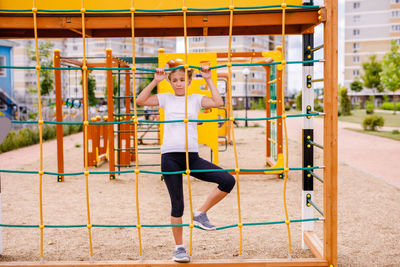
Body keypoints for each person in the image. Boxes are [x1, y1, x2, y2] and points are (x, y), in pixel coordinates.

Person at [136, 60, 236, 263]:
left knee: (227, 180)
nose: (178, 83)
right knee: (177, 204)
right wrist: (156, 81)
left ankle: (200, 214)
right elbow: (140, 100)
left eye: (182, 79)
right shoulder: (165, 98)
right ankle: (179, 248)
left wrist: (208, 78)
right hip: (170, 158)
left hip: (192, 157)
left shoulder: (196, 100)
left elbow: (218, 103)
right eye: (174, 80)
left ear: (189, 80)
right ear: (170, 82)